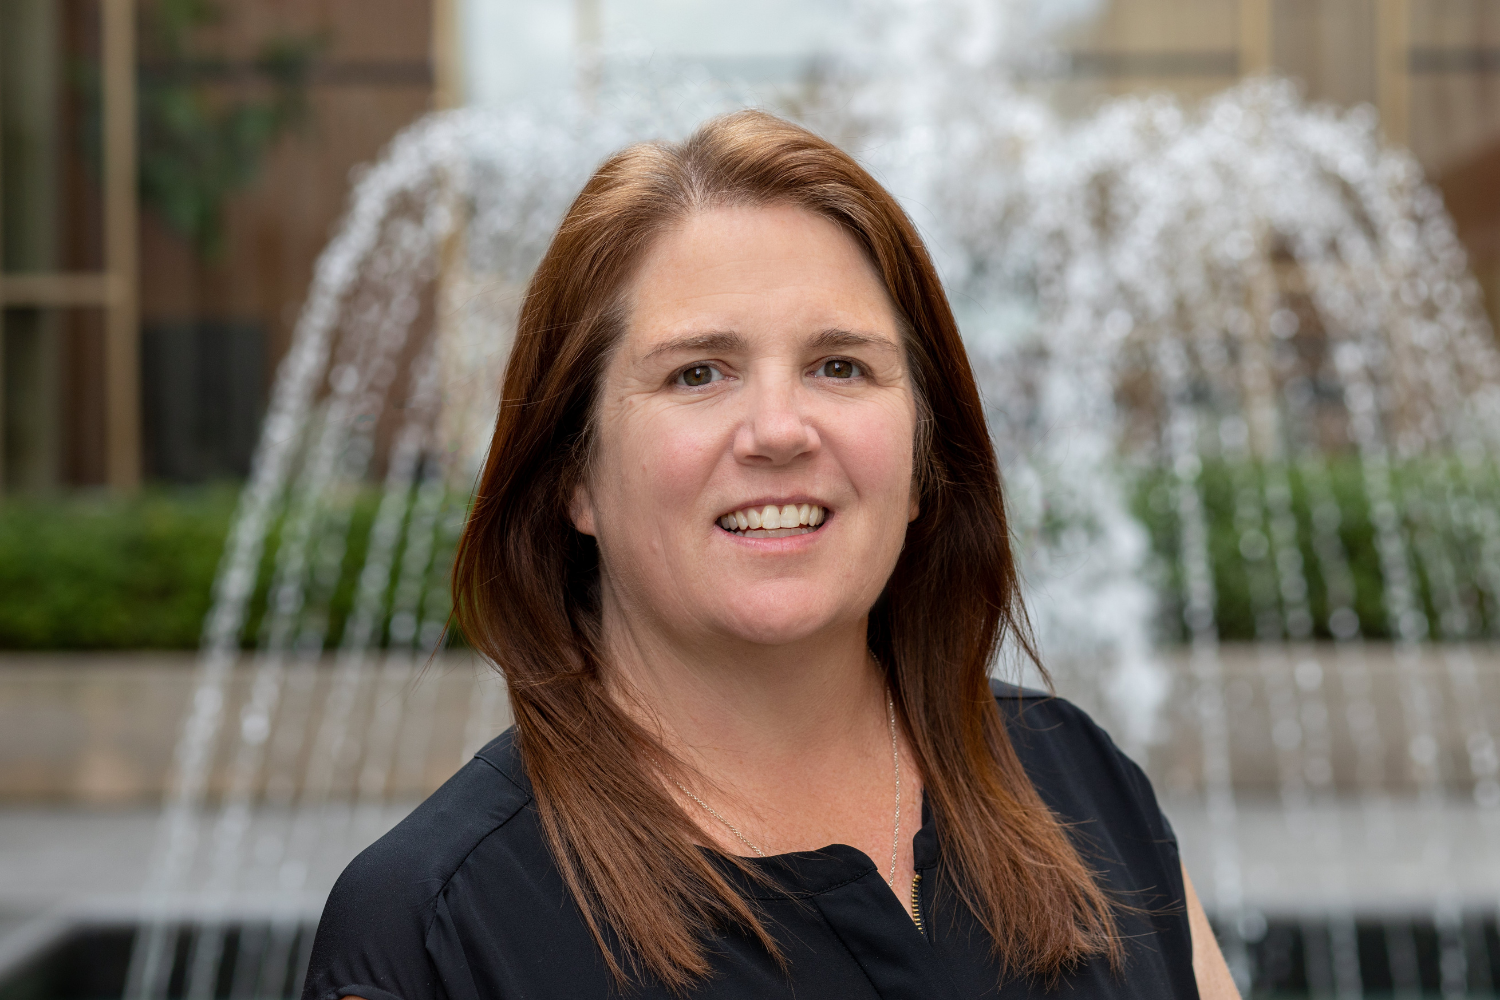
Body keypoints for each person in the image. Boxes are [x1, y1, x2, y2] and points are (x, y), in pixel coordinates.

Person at [302, 110, 1239, 1000]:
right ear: (573, 474)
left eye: (841, 366)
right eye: (696, 373)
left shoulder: (1081, 787)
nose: (779, 431)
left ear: (921, 462)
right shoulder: (435, 933)